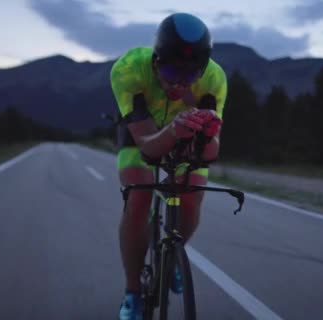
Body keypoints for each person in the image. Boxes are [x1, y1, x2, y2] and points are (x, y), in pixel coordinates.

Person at [110, 12, 227, 319]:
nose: (178, 83)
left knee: (192, 197)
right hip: (142, 135)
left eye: (190, 76)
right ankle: (133, 292)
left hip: (185, 133)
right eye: (172, 70)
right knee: (138, 196)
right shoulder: (129, 69)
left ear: (202, 70)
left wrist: (207, 136)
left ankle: (170, 260)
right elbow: (148, 146)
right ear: (156, 60)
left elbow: (211, 152)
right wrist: (174, 129)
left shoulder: (214, 79)